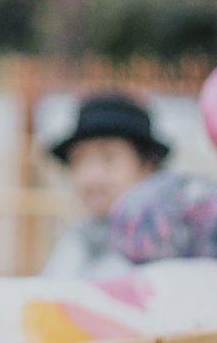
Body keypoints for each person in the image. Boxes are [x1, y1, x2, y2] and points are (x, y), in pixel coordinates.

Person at [40, 91, 168, 278]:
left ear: (148, 165)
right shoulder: (75, 242)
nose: (92, 176)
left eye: (108, 158)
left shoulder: (168, 244)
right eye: (80, 159)